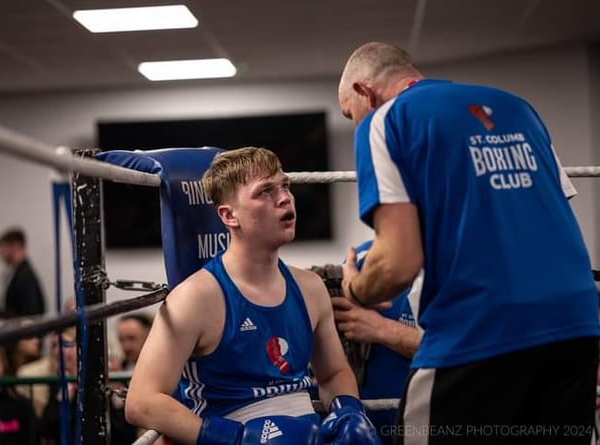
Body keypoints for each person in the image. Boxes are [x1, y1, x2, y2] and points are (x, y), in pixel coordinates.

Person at [337, 41, 600, 444]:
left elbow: (396, 264)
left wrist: (354, 286)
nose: (356, 124)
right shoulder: (517, 108)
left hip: (480, 332)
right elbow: (555, 217)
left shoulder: (386, 121)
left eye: (350, 114)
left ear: (363, 92)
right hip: (576, 324)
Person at [126, 147, 380, 444]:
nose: (285, 197)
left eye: (285, 185)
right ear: (229, 215)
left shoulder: (310, 288)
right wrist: (235, 438)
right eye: (265, 191)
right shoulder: (195, 298)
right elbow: (141, 402)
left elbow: (333, 373)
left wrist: (347, 410)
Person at [330, 240, 422, 445]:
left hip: (435, 419)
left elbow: (470, 349)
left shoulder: (457, 263)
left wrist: (381, 329)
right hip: (368, 426)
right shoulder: (360, 259)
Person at [0, 227, 46, 317]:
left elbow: (30, 314)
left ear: (16, 246)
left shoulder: (24, 277)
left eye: (3, 248)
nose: (0, 253)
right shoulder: (19, 273)